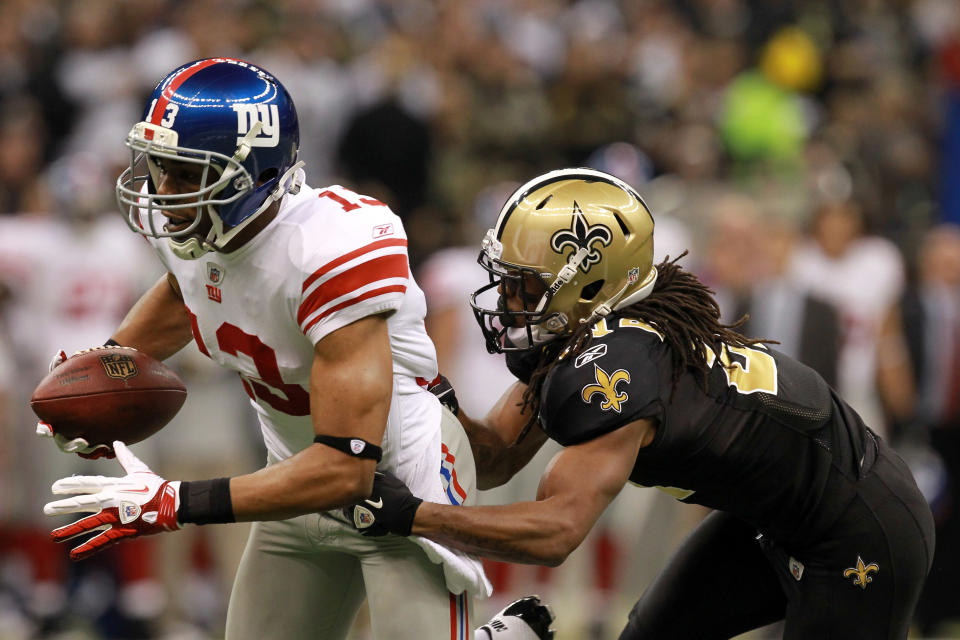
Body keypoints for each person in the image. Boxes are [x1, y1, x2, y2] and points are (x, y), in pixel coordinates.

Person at [35, 57, 555, 640]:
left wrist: (175, 502)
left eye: (185, 174)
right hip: (292, 481)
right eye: (158, 167)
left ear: (250, 175)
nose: (163, 191)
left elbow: (345, 467)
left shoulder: (330, 247)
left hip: (399, 480)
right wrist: (105, 371)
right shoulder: (201, 232)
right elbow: (188, 290)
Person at [344, 167, 935, 639]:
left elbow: (555, 531)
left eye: (523, 282)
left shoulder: (617, 360)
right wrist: (425, 397)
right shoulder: (591, 330)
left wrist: (412, 516)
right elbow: (496, 457)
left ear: (590, 282)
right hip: (772, 517)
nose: (505, 298)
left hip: (858, 525)